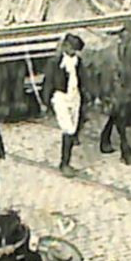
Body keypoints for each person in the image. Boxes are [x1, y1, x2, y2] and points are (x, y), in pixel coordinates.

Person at [41, 34, 86, 173]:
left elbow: (83, 80)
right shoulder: (55, 63)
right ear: (65, 47)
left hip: (75, 97)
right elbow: (47, 83)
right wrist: (45, 102)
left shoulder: (79, 62)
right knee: (68, 129)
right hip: (60, 97)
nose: (74, 52)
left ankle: (68, 158)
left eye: (76, 50)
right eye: (72, 49)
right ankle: (64, 164)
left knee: (74, 126)